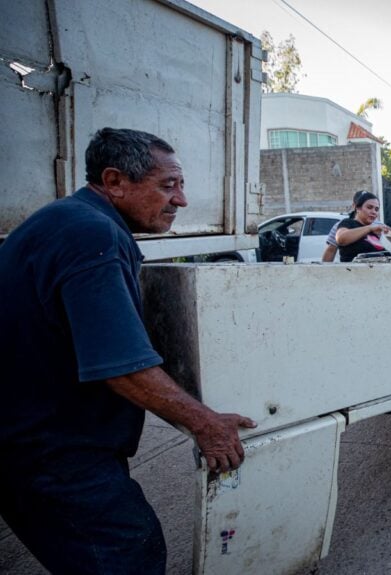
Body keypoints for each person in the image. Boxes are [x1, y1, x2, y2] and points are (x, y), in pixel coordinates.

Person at [0, 128, 257, 574]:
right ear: (115, 181)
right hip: (50, 450)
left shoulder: (68, 220)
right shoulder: (91, 235)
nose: (181, 201)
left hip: (26, 438)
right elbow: (122, 367)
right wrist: (205, 423)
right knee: (126, 553)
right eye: (168, 185)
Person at [334, 190, 391, 262]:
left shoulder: (376, 231)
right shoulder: (348, 223)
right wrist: (370, 228)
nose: (374, 212)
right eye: (369, 207)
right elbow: (341, 239)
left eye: (376, 209)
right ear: (358, 208)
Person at [321, 191, 359, 262]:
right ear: (354, 206)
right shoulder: (341, 225)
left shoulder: (378, 226)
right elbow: (331, 250)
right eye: (360, 205)